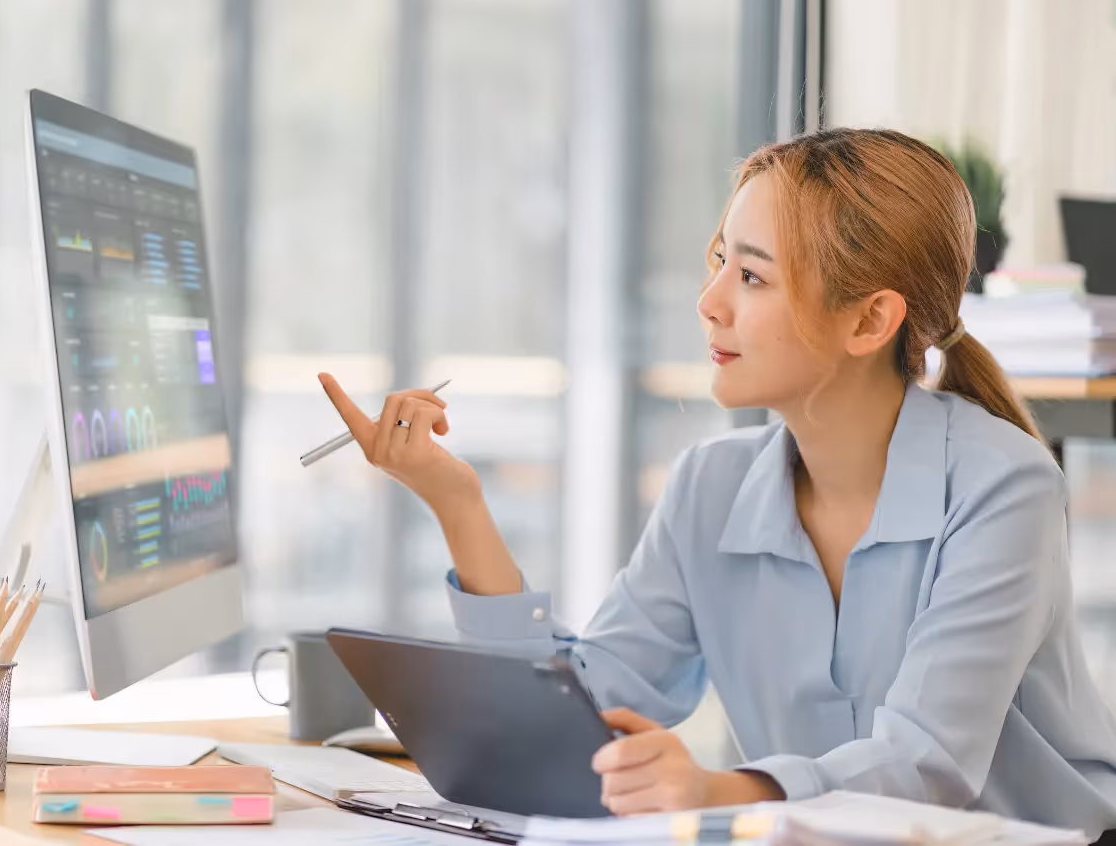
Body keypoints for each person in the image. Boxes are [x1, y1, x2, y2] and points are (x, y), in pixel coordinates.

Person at [319, 128, 1116, 839]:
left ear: (870, 322)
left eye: (754, 278)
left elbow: (927, 760)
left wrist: (713, 790)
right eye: (719, 264)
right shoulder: (712, 484)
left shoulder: (1003, 485)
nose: (709, 304)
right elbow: (589, 707)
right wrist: (456, 503)